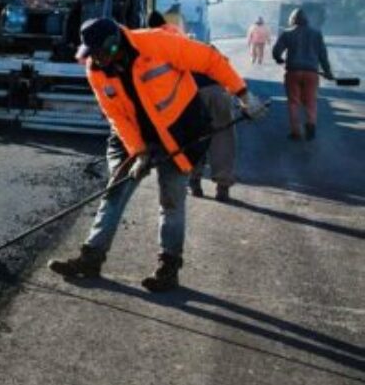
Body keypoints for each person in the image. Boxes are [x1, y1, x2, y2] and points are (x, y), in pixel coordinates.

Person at [48, 18, 264, 292]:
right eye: (92, 55)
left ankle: (168, 268)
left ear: (114, 44)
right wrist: (139, 153)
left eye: (101, 54)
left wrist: (243, 94)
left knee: (171, 199)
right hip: (135, 134)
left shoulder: (157, 43)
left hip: (180, 130)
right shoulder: (96, 69)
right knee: (116, 190)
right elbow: (116, 116)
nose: (97, 61)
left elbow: (209, 59)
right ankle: (91, 257)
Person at [147, 12, 237, 201]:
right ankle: (223, 187)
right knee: (223, 138)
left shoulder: (164, 48)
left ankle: (194, 182)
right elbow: (225, 66)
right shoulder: (203, 44)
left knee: (194, 137)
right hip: (219, 92)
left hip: (195, 93)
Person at [272, 8, 334, 140]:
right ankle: (311, 124)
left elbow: (276, 51)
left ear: (292, 20)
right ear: (307, 20)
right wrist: (327, 71)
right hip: (311, 73)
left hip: (293, 72)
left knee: (294, 102)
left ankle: (296, 132)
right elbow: (323, 55)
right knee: (311, 101)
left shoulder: (287, 33)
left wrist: (279, 59)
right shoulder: (316, 33)